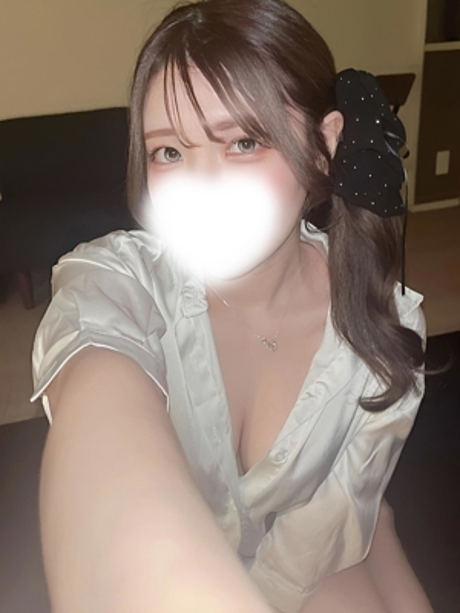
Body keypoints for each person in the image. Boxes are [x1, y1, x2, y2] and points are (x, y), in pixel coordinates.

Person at [32, 1, 433, 612]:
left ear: (324, 146)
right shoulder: (116, 281)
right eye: (169, 152)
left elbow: (325, 531)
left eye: (244, 142)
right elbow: (102, 442)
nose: (202, 188)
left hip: (316, 558)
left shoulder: (388, 325)